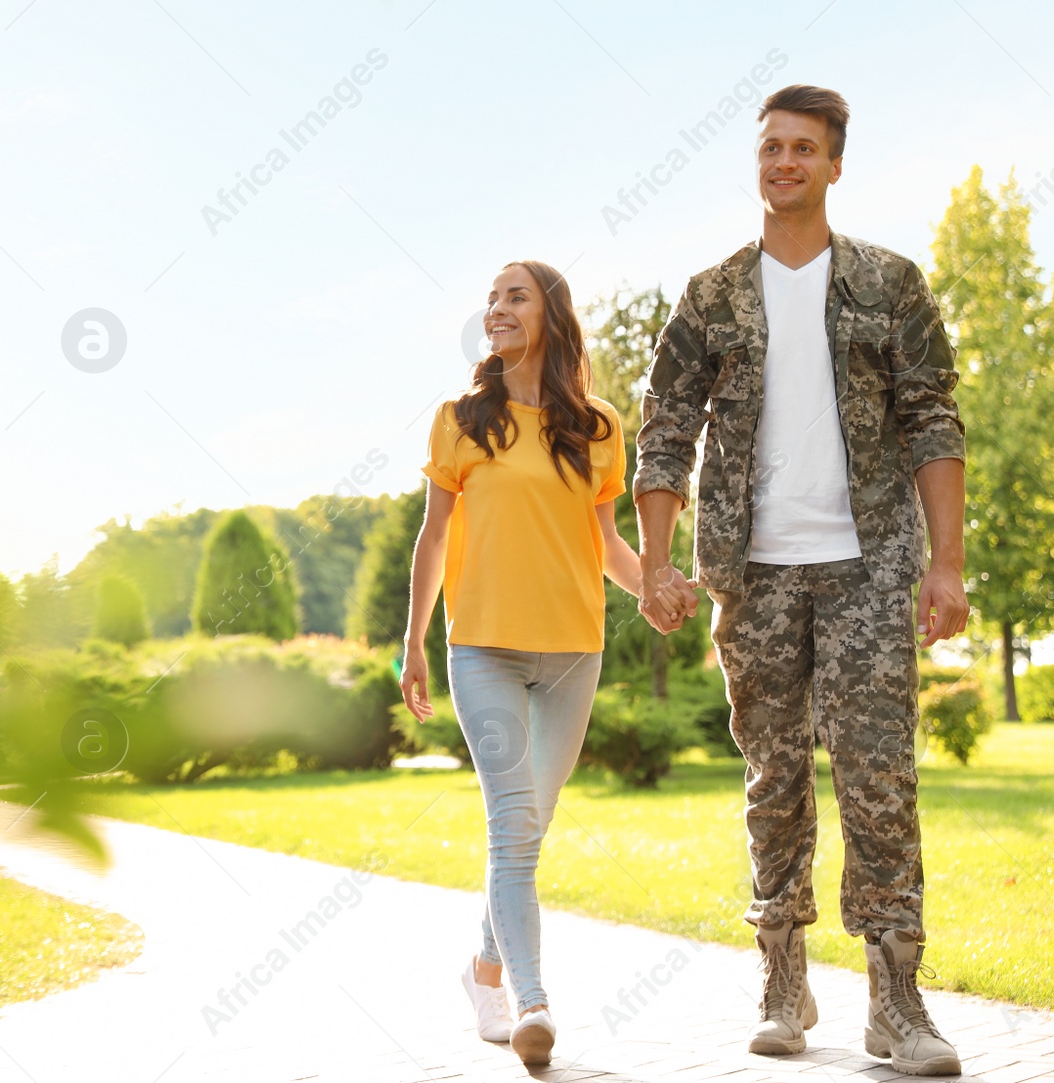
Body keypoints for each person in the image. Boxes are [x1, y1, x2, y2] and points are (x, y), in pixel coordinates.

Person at [634, 85, 968, 1077]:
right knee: (771, 778)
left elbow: (934, 419)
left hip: (869, 565)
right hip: (754, 575)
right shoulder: (709, 296)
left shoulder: (888, 283)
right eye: (771, 147)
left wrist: (945, 562)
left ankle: (895, 1001)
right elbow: (663, 429)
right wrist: (655, 560)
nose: (783, 163)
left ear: (833, 164)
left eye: (803, 149)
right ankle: (782, 976)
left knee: (879, 780)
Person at [401, 259, 660, 1067]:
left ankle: (483, 968)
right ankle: (532, 1000)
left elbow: (608, 542)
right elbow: (435, 535)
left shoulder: (598, 425)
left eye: (514, 295)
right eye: (491, 299)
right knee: (512, 828)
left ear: (551, 312)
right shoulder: (460, 419)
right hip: (482, 647)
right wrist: (413, 638)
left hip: (574, 651)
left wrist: (656, 587)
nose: (497, 308)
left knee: (530, 826)